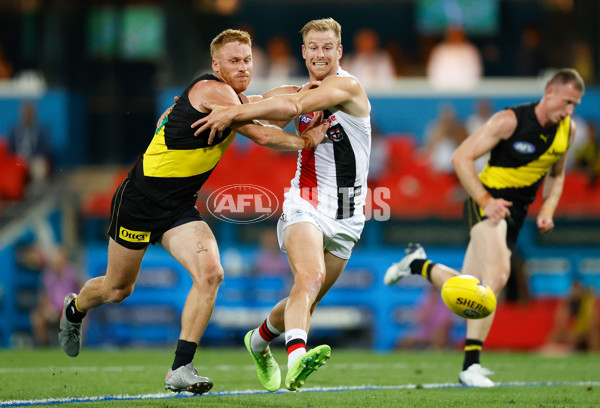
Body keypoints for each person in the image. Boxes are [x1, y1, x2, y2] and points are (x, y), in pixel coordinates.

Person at [57, 28, 329, 395]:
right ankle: (74, 310)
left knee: (211, 274)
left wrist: (307, 90)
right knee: (117, 289)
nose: (243, 67)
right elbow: (264, 134)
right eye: (234, 61)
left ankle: (180, 368)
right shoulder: (214, 91)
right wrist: (307, 140)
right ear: (216, 66)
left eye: (247, 60)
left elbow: (267, 102)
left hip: (178, 207)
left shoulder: (235, 98)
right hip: (139, 202)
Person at [194, 17, 371, 392]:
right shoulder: (294, 88)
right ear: (304, 52)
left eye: (328, 47)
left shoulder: (348, 87)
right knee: (310, 279)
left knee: (305, 298)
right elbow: (251, 102)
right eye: (313, 47)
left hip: (348, 213)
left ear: (339, 52)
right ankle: (296, 361)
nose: (320, 54)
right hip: (304, 202)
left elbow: (291, 105)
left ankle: (258, 341)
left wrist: (234, 113)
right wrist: (197, 104)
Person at [384, 68, 585, 387]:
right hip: (487, 203)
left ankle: (418, 264)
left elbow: (557, 174)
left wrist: (547, 207)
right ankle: (471, 365)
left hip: (516, 213)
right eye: (567, 102)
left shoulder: (567, 130)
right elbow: (461, 157)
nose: (570, 110)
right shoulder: (510, 121)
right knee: (499, 274)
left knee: (467, 296)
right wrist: (485, 199)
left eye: (576, 104)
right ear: (550, 93)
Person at [426, 25, 482, 91]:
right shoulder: (440, 50)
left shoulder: (470, 50)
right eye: (453, 34)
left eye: (457, 34)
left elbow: (475, 72)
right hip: (442, 90)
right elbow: (432, 71)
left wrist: (466, 87)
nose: (455, 36)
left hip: (466, 91)